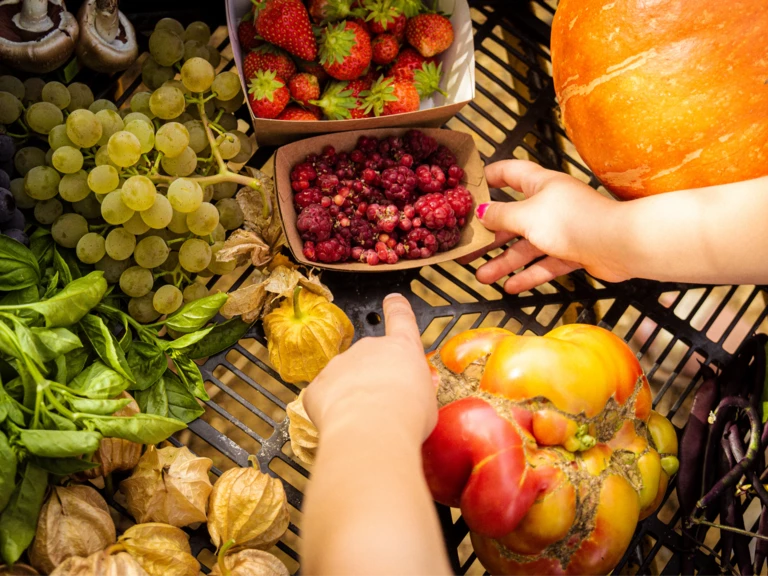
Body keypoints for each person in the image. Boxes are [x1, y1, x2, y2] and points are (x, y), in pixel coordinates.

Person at [300, 160, 768, 575]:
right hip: (612, 410)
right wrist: (615, 236)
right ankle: (714, 358)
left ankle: (704, 357)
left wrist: (365, 416)